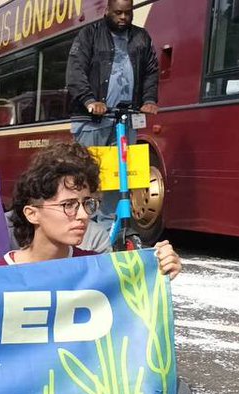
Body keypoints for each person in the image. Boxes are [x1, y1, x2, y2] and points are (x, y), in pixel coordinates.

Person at [0, 142, 188, 394]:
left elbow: (131, 332)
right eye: (69, 205)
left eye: (87, 203)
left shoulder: (98, 267)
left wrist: (157, 271)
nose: (83, 215)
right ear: (32, 213)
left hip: (80, 390)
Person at [67, 0, 160, 251]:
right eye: (117, 13)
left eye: (127, 13)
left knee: (119, 178)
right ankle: (84, 235)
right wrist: (89, 100)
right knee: (87, 179)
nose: (123, 17)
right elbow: (75, 72)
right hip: (92, 121)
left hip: (125, 118)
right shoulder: (89, 35)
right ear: (106, 11)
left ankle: (110, 232)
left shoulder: (141, 38)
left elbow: (151, 70)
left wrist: (149, 100)